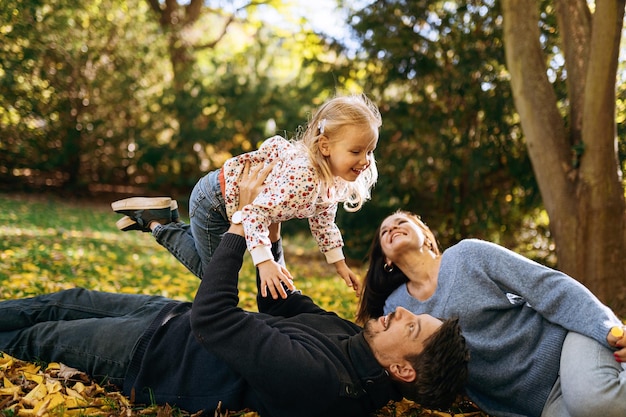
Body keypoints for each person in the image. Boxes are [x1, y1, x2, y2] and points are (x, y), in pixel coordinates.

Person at [0, 169, 470, 417]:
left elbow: (216, 320)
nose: (401, 313)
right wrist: (274, 230)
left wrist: (243, 221)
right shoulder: (352, 339)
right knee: (63, 299)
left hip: (150, 355)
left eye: (412, 324)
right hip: (170, 318)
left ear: (403, 368)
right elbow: (277, 301)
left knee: (42, 336)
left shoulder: (326, 386)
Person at [356, 210, 626, 417]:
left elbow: (548, 287)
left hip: (566, 346)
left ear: (426, 235)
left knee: (593, 402)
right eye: (385, 231)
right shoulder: (396, 308)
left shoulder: (468, 255)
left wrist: (608, 329)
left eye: (401, 222)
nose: (393, 228)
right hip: (540, 403)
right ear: (386, 259)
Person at [111, 94, 381, 299]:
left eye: (370, 151)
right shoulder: (305, 177)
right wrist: (264, 263)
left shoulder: (330, 181)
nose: (365, 160)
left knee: (220, 267)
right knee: (214, 274)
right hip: (215, 202)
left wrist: (339, 263)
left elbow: (324, 223)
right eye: (356, 151)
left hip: (229, 201)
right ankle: (160, 224)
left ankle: (164, 216)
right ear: (325, 146)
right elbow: (253, 213)